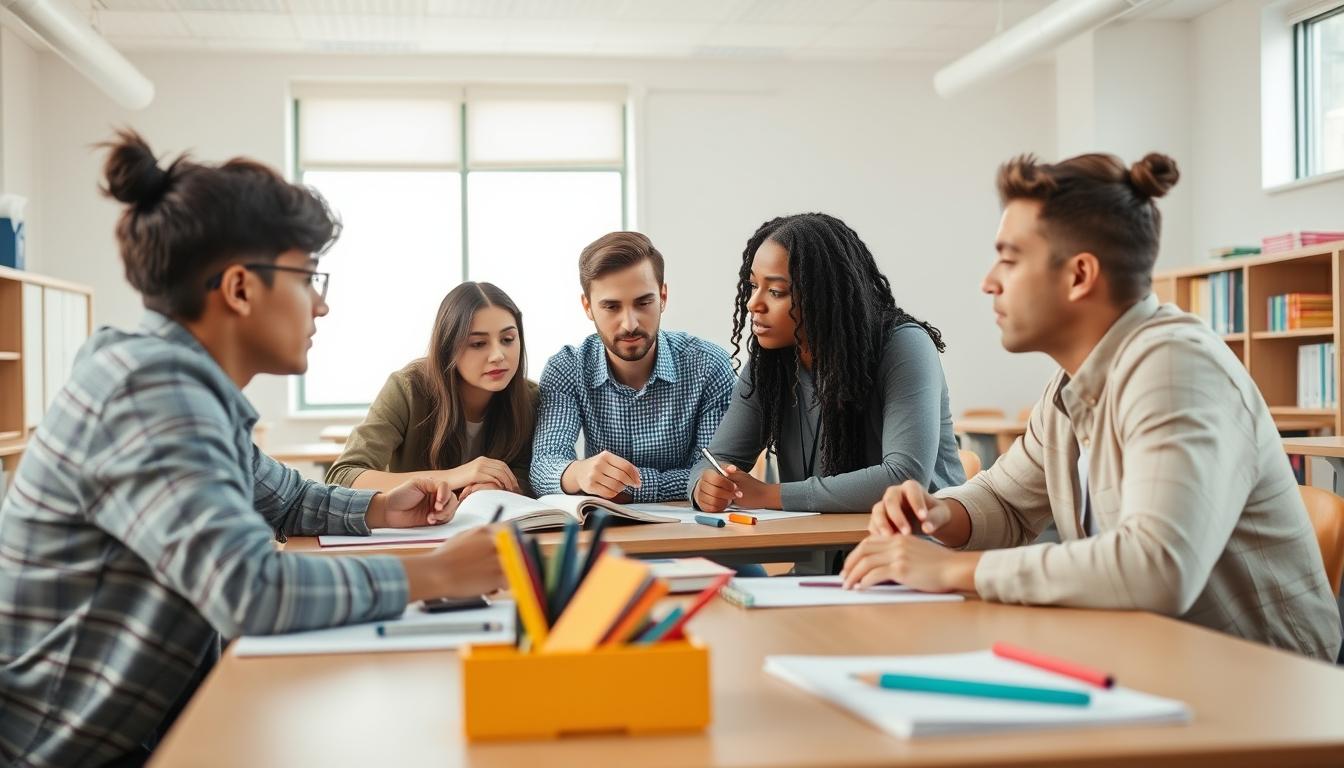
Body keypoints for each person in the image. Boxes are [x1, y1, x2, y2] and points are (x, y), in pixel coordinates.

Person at [0, 131, 506, 766]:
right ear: (240, 288)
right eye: (307, 277)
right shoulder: (149, 392)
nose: (321, 304)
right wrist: (437, 573)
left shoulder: (178, 384)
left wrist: (380, 511)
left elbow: (285, 498)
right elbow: (249, 589)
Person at [843, 152, 1342, 662]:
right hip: (1153, 664)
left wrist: (950, 571)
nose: (988, 281)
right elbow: (1009, 501)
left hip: (1263, 691)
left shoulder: (1174, 367)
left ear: (1080, 275)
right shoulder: (1072, 380)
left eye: (1010, 259)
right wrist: (939, 513)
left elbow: (1157, 567)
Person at [690, 213, 964, 514]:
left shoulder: (904, 346)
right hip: (820, 552)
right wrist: (705, 486)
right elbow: (716, 459)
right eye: (753, 285)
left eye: (776, 291)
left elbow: (904, 479)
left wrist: (771, 495)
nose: (753, 303)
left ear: (821, 296)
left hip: (921, 551)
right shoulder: (768, 364)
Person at [530, 231, 735, 502]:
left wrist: (625, 487)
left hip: (694, 531)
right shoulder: (568, 368)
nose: (629, 324)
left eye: (643, 303)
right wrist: (579, 473)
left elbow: (711, 474)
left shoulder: (709, 365)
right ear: (587, 307)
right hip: (604, 534)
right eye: (611, 307)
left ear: (663, 296)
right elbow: (544, 465)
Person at [327, 281, 538, 499]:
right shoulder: (407, 388)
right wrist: (454, 476)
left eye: (507, 339)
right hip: (416, 529)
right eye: (477, 343)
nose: (498, 355)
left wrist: (501, 488)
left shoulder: (531, 399)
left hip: (493, 529)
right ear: (448, 346)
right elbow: (343, 476)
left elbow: (531, 475)